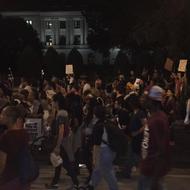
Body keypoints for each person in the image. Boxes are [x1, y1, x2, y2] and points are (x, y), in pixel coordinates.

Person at [138, 85, 171, 190]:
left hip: (151, 173)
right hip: (147, 170)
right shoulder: (154, 116)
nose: (142, 99)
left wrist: (155, 180)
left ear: (152, 100)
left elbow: (161, 151)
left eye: (145, 96)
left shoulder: (158, 120)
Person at [45, 93, 79, 189]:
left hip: (62, 141)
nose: (52, 103)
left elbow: (61, 129)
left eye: (53, 101)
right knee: (59, 162)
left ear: (57, 102)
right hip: (63, 140)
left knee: (63, 162)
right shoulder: (61, 112)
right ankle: (55, 182)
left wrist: (58, 146)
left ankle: (75, 183)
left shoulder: (61, 113)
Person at [87, 105, 118, 190]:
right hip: (112, 149)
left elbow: (96, 145)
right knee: (99, 171)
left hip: (104, 151)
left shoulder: (98, 125)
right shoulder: (108, 122)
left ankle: (92, 185)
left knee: (107, 172)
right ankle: (91, 185)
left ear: (95, 114)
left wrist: (94, 159)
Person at [0, 105, 30, 190]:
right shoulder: (24, 133)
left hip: (9, 178)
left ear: (8, 118)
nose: (0, 116)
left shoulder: (6, 137)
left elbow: (2, 163)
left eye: (2, 114)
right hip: (23, 176)